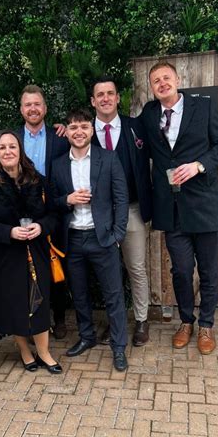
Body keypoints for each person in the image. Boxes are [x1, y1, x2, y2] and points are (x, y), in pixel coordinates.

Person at [139, 61, 218, 354]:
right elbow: (125, 131)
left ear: (177, 79)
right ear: (152, 87)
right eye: (156, 81)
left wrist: (199, 165)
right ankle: (186, 321)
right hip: (171, 209)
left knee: (208, 270)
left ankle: (206, 325)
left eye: (166, 77)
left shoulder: (202, 108)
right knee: (181, 271)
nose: (162, 83)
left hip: (204, 205)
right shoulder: (149, 113)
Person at [0, 131, 61, 374]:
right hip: (5, 256)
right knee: (16, 304)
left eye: (12, 146)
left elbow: (54, 215)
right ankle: (24, 351)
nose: (8, 151)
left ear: (20, 151)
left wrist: (41, 227)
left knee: (40, 302)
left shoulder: (38, 180)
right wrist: (9, 232)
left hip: (36, 252)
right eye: (2, 148)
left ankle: (44, 352)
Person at [51, 109, 129, 372]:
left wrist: (117, 235)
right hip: (72, 239)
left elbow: (121, 198)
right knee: (80, 294)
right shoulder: (58, 164)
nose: (79, 132)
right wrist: (67, 200)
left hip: (102, 238)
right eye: (73, 128)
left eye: (84, 126)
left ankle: (119, 346)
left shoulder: (108, 158)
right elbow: (52, 202)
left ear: (91, 130)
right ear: (67, 133)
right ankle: (87, 336)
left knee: (113, 295)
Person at [90, 76, 152, 347]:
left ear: (117, 98)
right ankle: (115, 320)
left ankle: (141, 319)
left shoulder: (136, 127)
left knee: (136, 267)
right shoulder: (83, 131)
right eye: (100, 94)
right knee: (108, 271)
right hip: (99, 214)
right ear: (93, 101)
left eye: (110, 93)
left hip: (133, 209)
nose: (105, 98)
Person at [16, 85, 69, 339]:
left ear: (45, 108)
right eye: (28, 105)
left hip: (53, 209)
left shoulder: (60, 137)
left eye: (37, 104)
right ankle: (34, 318)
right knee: (26, 267)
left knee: (55, 263)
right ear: (21, 109)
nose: (33, 109)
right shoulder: (12, 138)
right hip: (22, 210)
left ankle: (60, 318)